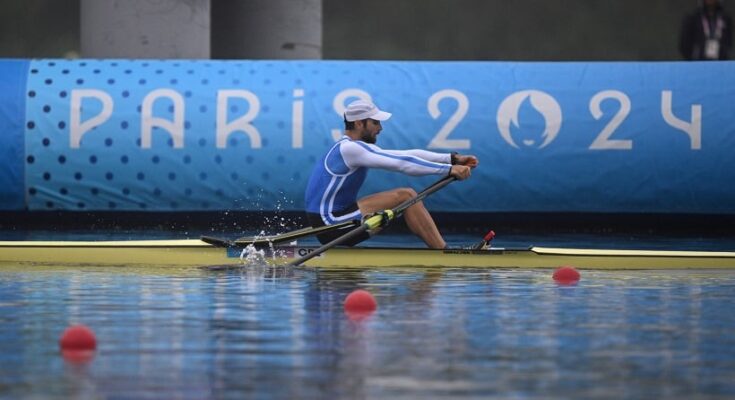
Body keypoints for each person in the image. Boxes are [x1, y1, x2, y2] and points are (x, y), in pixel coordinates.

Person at [304, 99, 478, 249]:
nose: (380, 128)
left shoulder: (354, 147)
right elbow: (403, 164)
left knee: (406, 196)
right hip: (330, 225)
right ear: (359, 123)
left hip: (332, 219)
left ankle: (441, 250)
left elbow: (406, 155)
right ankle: (444, 252)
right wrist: (448, 170)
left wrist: (451, 159)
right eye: (375, 122)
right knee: (406, 196)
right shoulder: (350, 149)